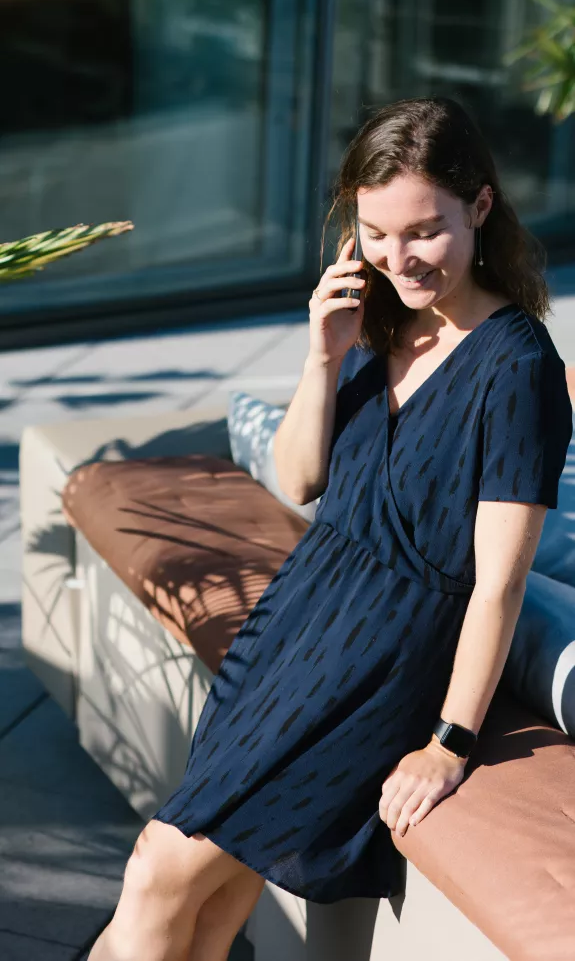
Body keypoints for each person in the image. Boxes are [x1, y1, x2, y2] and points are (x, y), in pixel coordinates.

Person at [88, 97, 573, 961]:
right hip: (288, 632)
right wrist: (320, 352)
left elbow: (495, 583)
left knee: (160, 870)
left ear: (482, 207)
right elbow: (300, 479)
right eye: (375, 232)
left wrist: (447, 743)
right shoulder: (374, 320)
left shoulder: (517, 368)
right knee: (212, 903)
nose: (397, 257)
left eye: (423, 231)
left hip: (376, 667)